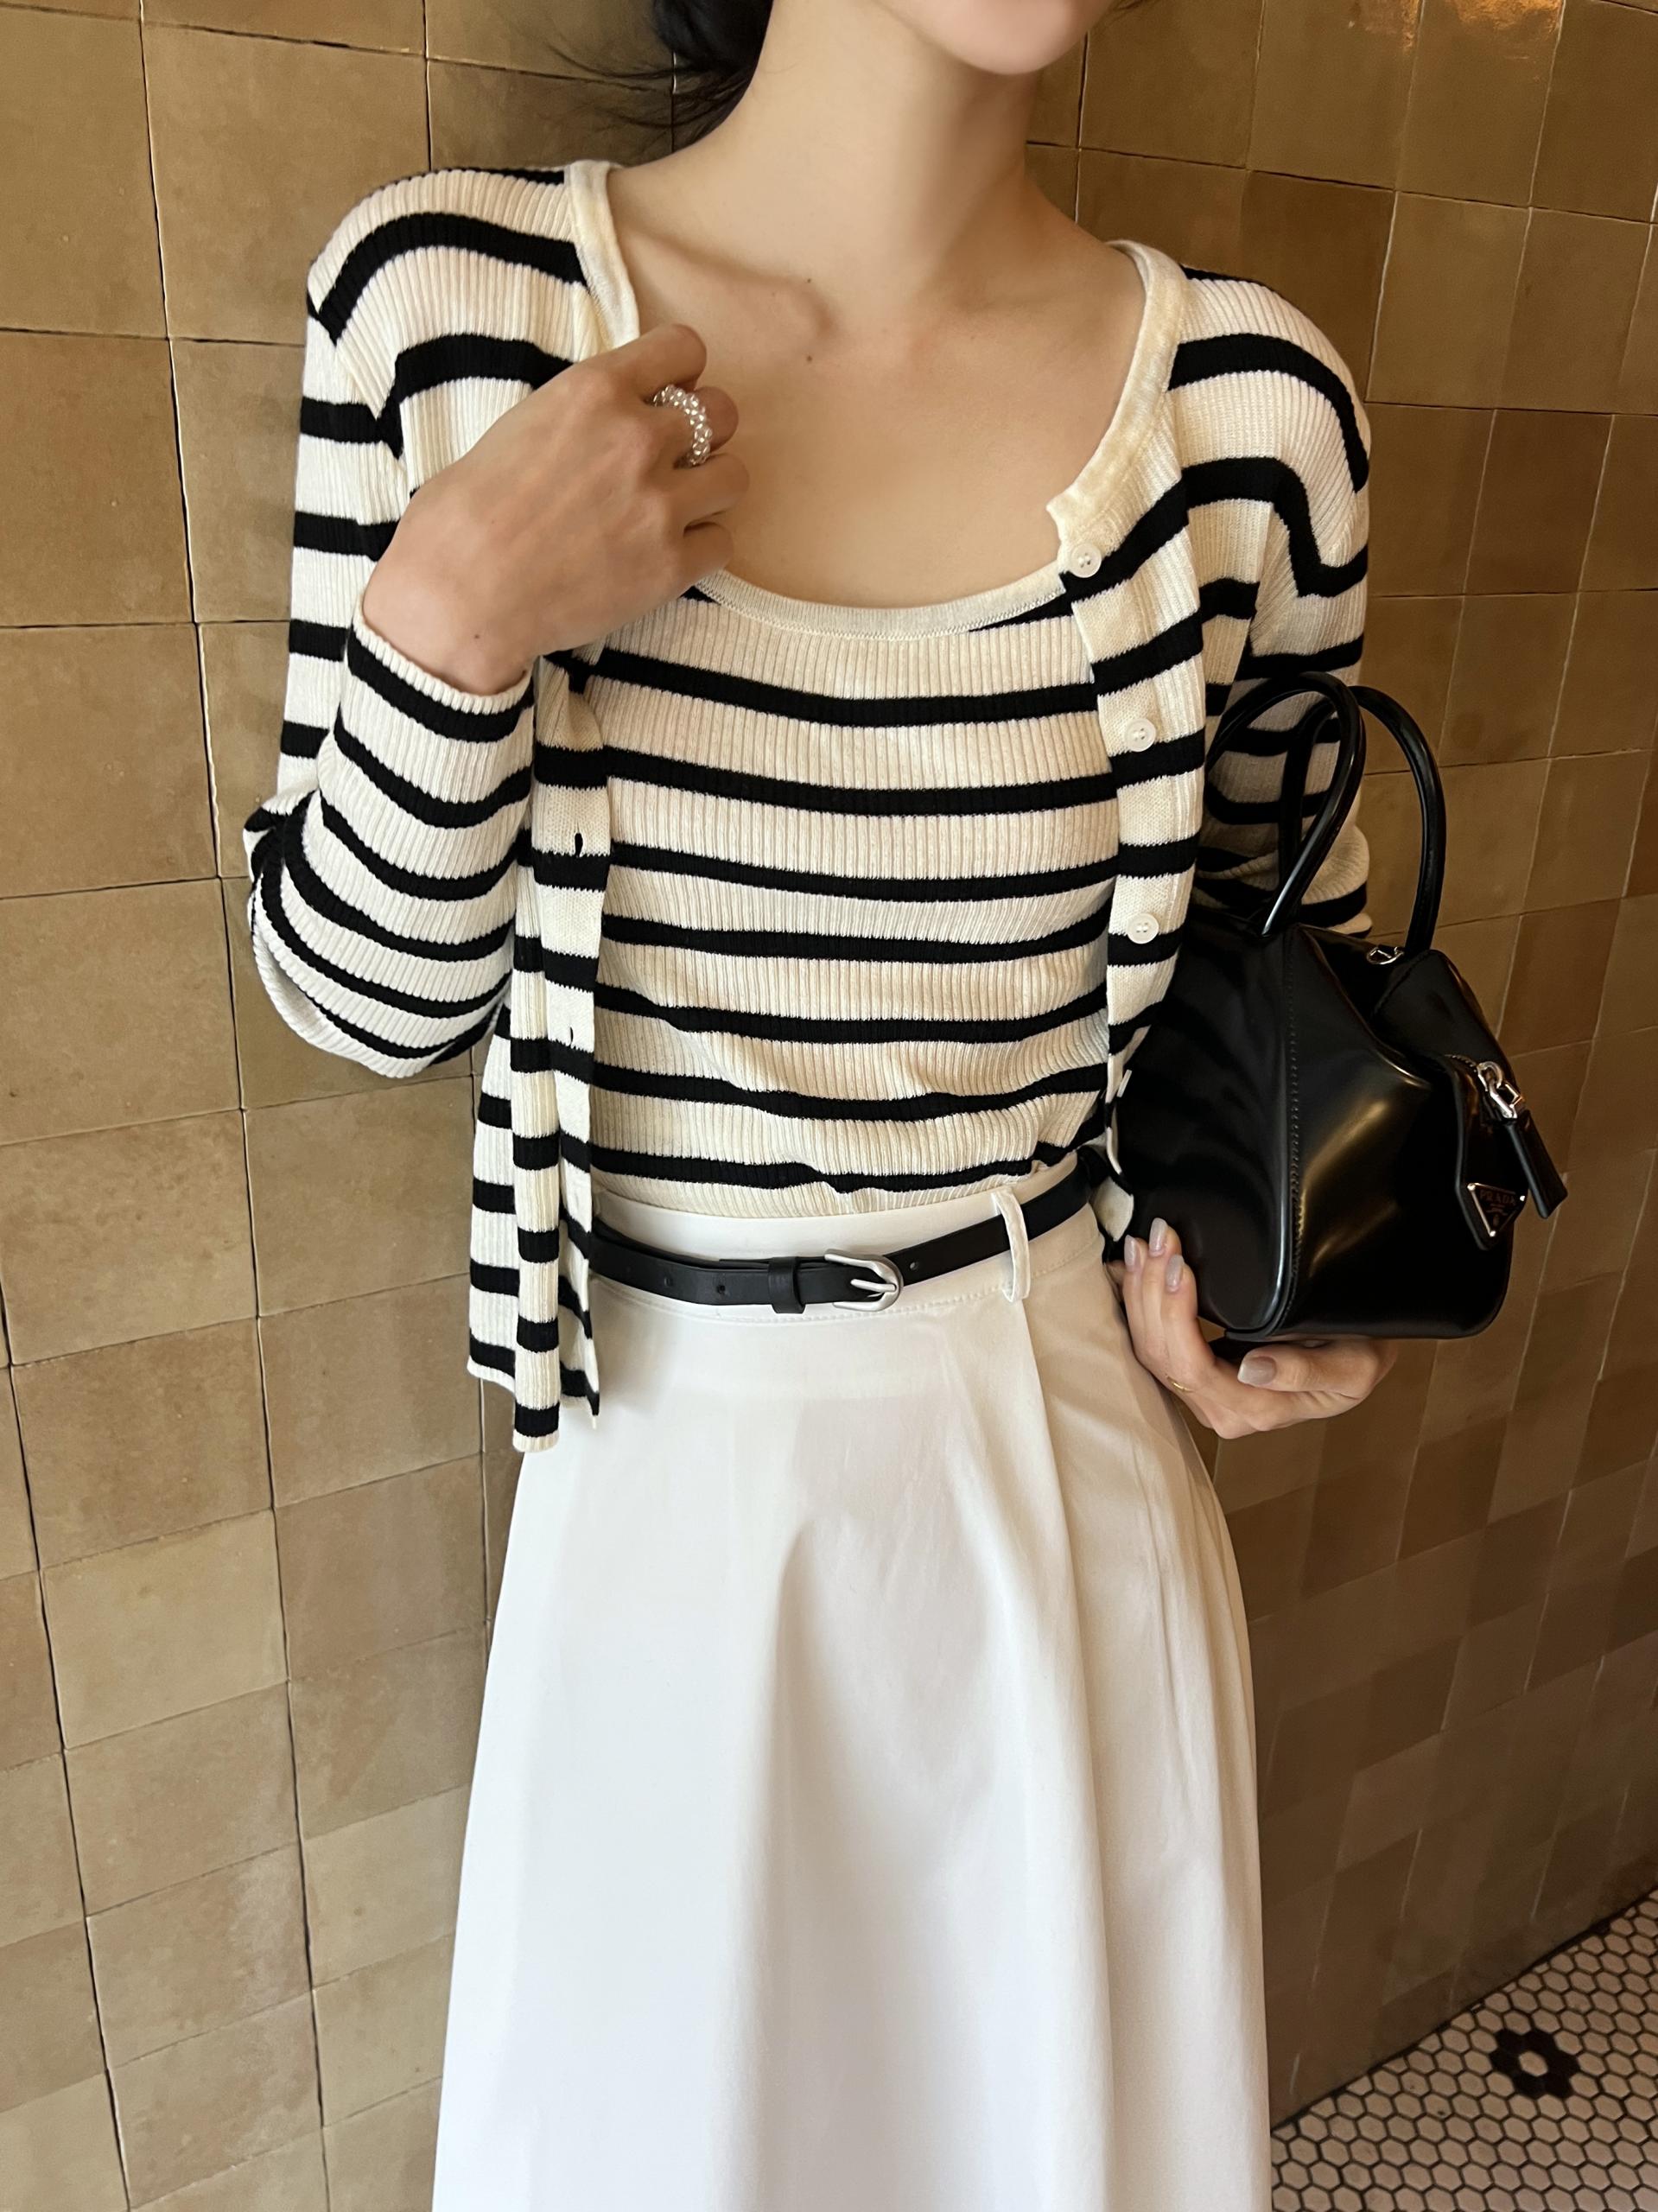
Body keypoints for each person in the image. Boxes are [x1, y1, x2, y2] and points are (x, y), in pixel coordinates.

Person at [243, 2, 1400, 2204]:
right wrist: (445, 630)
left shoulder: (1254, 417)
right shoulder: (457, 308)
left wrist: (1255, 1275)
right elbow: (366, 1003)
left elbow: (1272, 981)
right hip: (662, 1476)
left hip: (1059, 1461)